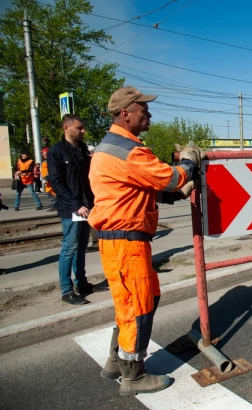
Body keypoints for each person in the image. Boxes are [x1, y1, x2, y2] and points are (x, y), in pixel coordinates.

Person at [88, 86, 199, 396]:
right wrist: (188, 162)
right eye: (143, 110)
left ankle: (116, 360)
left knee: (140, 300)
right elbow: (171, 177)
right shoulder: (129, 149)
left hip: (121, 241)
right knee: (138, 307)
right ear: (126, 114)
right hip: (126, 242)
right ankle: (133, 376)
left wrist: (174, 193)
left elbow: (141, 188)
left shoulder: (112, 146)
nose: (148, 114)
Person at [48, 114, 103, 305]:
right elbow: (56, 182)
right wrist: (76, 205)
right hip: (72, 209)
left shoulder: (82, 150)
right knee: (69, 249)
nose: (83, 131)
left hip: (87, 207)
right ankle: (66, 290)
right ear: (66, 128)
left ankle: (82, 283)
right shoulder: (56, 152)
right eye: (79, 128)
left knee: (81, 247)